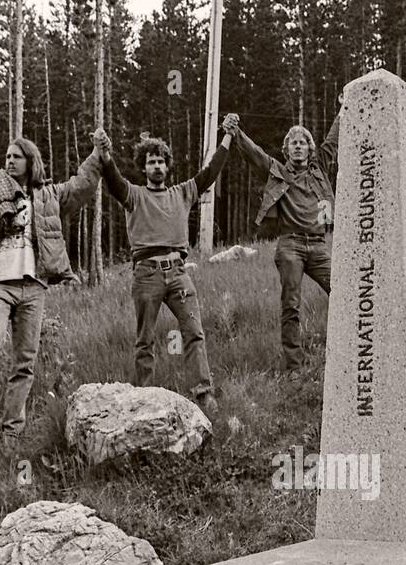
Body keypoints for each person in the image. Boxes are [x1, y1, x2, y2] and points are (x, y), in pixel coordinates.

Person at [0, 132, 107, 446]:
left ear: (31, 161)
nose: (8, 161)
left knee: (25, 361)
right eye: (7, 156)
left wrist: (97, 155)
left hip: (34, 286)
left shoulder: (48, 195)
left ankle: (11, 434)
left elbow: (82, 185)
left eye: (16, 156)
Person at [98, 124, 233, 417]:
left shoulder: (182, 192)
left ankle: (203, 393)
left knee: (194, 331)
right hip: (146, 274)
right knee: (145, 339)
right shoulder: (134, 195)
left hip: (179, 273)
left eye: (161, 161)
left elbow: (210, 172)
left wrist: (228, 137)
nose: (157, 166)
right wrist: (106, 155)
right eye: (151, 162)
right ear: (144, 168)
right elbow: (114, 181)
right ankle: (144, 398)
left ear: (167, 166)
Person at [224, 103, 340, 373]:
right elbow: (254, 154)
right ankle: (294, 368)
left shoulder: (319, 166)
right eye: (293, 143)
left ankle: (345, 352)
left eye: (303, 143)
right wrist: (236, 131)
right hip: (291, 246)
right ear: (286, 150)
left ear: (310, 149)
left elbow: (333, 140)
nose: (298, 147)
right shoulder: (277, 170)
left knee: (342, 294)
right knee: (291, 305)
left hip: (319, 244)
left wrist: (343, 109)